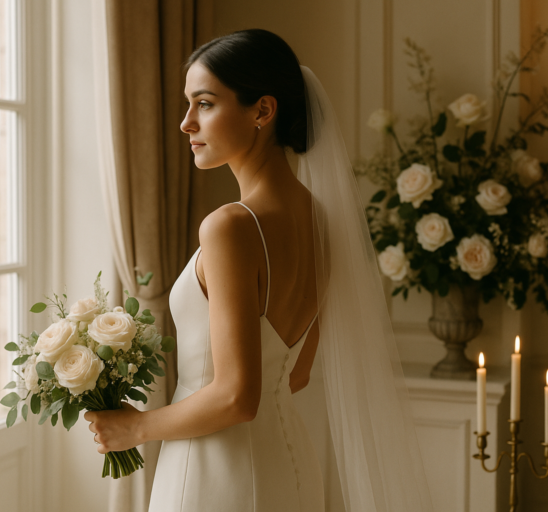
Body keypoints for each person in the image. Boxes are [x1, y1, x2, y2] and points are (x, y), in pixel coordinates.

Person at [85, 29, 434, 512]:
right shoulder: (319, 219)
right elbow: (296, 373)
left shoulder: (229, 226)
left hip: (213, 473)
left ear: (262, 111)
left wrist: (135, 427)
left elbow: (237, 397)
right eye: (188, 104)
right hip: (288, 465)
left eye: (204, 103)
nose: (186, 123)